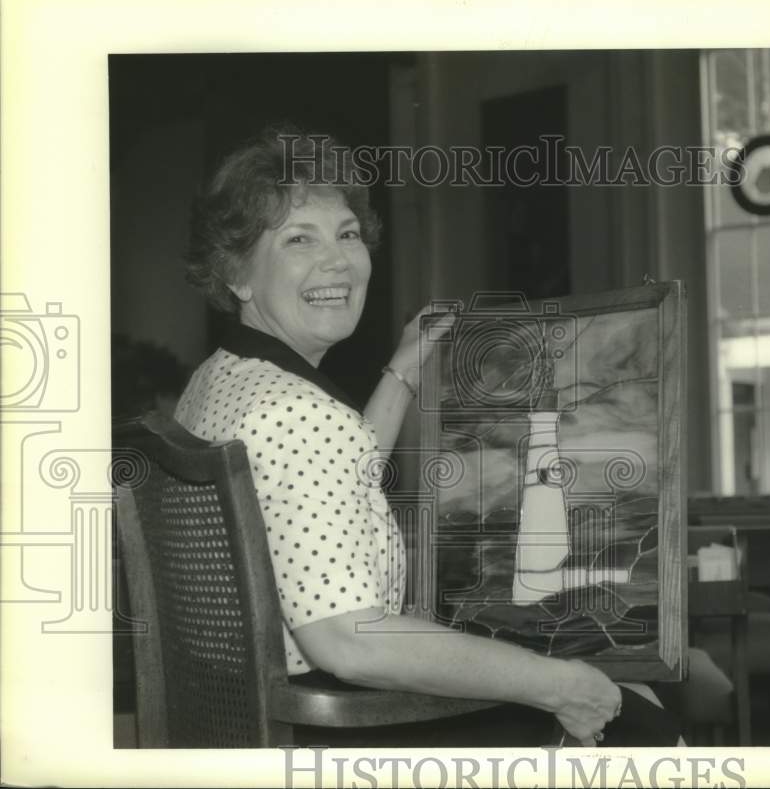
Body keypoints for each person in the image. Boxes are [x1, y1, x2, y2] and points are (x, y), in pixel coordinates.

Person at [174, 125, 682, 747]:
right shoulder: (296, 411)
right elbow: (350, 641)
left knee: (622, 690)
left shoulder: (221, 381)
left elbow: (332, 478)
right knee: (641, 718)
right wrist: (558, 686)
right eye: (298, 239)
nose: (336, 259)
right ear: (237, 274)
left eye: (348, 234)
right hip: (336, 729)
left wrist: (404, 369)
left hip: (242, 716)